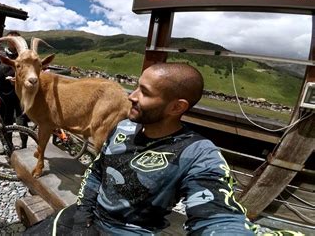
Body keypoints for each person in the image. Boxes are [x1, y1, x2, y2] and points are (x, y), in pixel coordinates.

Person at [24, 63, 255, 235]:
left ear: (176, 107)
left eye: (144, 92)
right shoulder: (123, 128)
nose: (131, 97)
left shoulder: (198, 153)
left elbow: (218, 217)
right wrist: (83, 217)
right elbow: (96, 172)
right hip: (86, 218)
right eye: (136, 87)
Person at [0, 31, 29, 146]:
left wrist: (19, 79)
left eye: (17, 40)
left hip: (20, 94)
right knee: (6, 120)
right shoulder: (0, 55)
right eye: (11, 40)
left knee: (22, 120)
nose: (14, 42)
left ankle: (24, 145)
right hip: (3, 93)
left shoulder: (24, 56)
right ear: (7, 41)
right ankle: (8, 145)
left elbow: (29, 73)